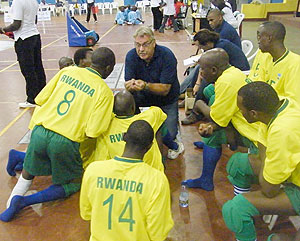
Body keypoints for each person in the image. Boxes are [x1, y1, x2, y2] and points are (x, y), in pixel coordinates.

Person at [0, 47, 116, 222]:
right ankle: (24, 201)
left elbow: (40, 98)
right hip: (65, 140)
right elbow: (93, 131)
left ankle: (12, 201)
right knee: (72, 182)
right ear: (108, 69)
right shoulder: (104, 91)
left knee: (29, 172)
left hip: (39, 131)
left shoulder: (67, 71)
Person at [222, 81, 300, 241]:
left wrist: (267, 170)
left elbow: (269, 190)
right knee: (237, 163)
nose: (239, 112)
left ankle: (247, 214)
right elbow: (262, 148)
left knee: (235, 209)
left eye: (241, 110)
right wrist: (267, 167)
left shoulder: (282, 131)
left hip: (297, 185)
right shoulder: (279, 104)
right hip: (292, 171)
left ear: (253, 114)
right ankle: (250, 215)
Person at [80, 120, 174, 241]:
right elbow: (158, 234)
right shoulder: (157, 180)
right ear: (150, 146)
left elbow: (86, 213)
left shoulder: (93, 170)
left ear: (124, 137)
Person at [181, 49, 259, 191]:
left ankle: (206, 180)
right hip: (247, 121)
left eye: (203, 70)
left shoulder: (226, 82)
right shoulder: (233, 71)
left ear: (214, 70)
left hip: (253, 134)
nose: (201, 73)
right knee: (210, 92)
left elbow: (216, 119)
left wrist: (198, 104)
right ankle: (226, 138)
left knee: (211, 136)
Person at [125, 26, 183, 157]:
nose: (141, 49)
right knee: (126, 100)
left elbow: (165, 89)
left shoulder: (167, 55)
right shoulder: (131, 56)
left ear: (154, 43)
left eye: (145, 44)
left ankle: (176, 132)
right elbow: (129, 82)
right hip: (143, 99)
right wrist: (130, 86)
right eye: (138, 45)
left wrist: (145, 85)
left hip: (166, 100)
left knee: (169, 135)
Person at [180, 29, 249, 125]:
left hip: (239, 70)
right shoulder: (217, 45)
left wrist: (198, 84)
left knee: (203, 79)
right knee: (198, 69)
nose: (201, 49)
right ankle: (190, 97)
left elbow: (218, 120)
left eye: (201, 46)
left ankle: (196, 112)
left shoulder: (221, 48)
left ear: (208, 44)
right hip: (228, 70)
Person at [85, 90, 167, 171]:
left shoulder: (106, 127)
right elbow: (157, 111)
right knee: (159, 128)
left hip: (124, 175)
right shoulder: (150, 117)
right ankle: (171, 148)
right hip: (152, 172)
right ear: (133, 108)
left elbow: (102, 158)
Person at [0, 0, 46, 108]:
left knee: (28, 69)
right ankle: (42, 94)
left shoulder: (17, 2)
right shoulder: (34, 1)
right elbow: (34, 21)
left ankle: (32, 99)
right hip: (35, 36)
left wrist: (3, 29)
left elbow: (16, 24)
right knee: (38, 67)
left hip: (24, 39)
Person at [249, 21, 300, 104]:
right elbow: (252, 79)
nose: (257, 40)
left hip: (275, 112)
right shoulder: (262, 54)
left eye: (259, 36)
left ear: (269, 38)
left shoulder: (295, 64)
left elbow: (293, 102)